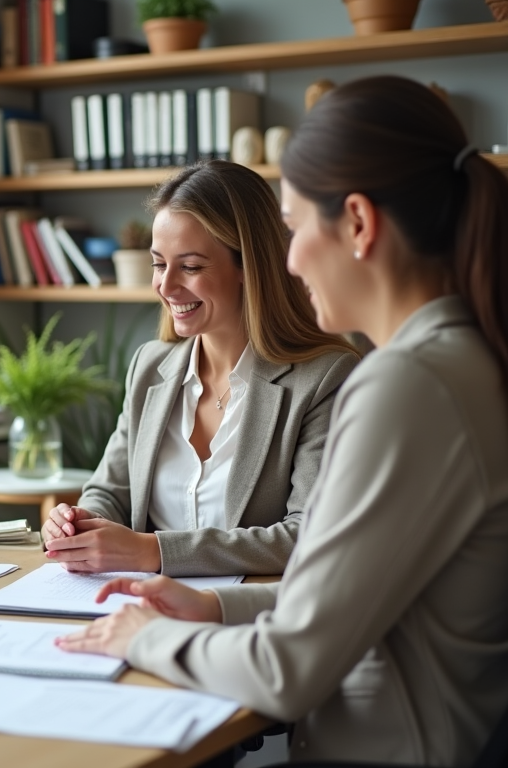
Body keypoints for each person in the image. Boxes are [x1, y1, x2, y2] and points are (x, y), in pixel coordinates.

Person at [55, 76, 508, 765]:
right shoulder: (458, 359)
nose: (290, 260)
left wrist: (139, 637)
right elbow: (344, 597)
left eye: (294, 229)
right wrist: (212, 608)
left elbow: (288, 667)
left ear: (357, 223)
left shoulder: (406, 384)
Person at [43, 160, 359, 576]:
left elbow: (307, 533)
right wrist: (76, 524)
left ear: (250, 267)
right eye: (159, 264)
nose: (167, 286)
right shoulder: (149, 367)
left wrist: (153, 552)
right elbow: (110, 492)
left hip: (247, 620)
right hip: (132, 610)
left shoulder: (324, 379)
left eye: (190, 266)